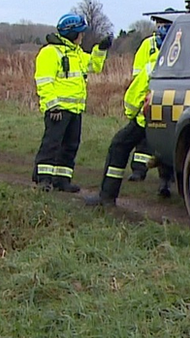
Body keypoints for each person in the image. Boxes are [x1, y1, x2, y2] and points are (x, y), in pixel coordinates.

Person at [32, 13, 110, 192]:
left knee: (71, 145)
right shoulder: (50, 53)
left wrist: (101, 50)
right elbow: (44, 81)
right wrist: (53, 106)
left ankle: (62, 180)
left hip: (75, 109)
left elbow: (94, 66)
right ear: (72, 33)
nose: (82, 37)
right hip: (58, 110)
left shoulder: (77, 53)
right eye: (80, 33)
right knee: (51, 144)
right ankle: (44, 180)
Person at [83, 47, 156, 207]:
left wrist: (132, 113)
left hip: (149, 120)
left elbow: (133, 97)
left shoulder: (158, 61)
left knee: (119, 146)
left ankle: (107, 196)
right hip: (179, 120)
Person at [128, 11, 176, 196]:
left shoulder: (182, 42)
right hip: (149, 97)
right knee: (144, 138)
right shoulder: (148, 44)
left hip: (171, 98)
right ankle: (139, 170)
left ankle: (166, 181)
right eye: (159, 24)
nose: (161, 27)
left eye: (165, 24)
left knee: (167, 139)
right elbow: (138, 72)